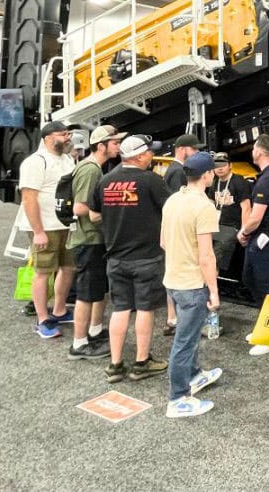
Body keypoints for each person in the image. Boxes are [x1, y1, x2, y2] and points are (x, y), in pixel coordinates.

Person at [89, 134, 171, 383]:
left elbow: (93, 215)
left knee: (120, 308)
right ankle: (141, 362)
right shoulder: (151, 180)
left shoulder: (106, 180)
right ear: (139, 156)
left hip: (115, 257)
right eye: (149, 152)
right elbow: (170, 211)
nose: (152, 155)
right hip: (146, 257)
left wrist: (117, 217)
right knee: (145, 309)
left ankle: (115, 365)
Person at [161, 152, 222, 418]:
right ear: (207, 175)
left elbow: (163, 242)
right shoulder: (204, 206)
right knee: (184, 343)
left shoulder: (173, 200)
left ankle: (195, 375)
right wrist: (214, 291)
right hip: (192, 285)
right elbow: (206, 255)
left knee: (189, 334)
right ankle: (178, 399)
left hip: (173, 280)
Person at [67, 125, 126, 360]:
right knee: (86, 293)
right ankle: (79, 343)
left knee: (98, 289)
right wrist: (112, 208)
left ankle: (94, 330)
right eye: (114, 143)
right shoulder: (90, 170)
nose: (118, 147)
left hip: (95, 238)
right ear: (101, 146)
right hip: (88, 239)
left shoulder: (95, 168)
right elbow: (79, 207)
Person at [17, 121, 75, 339]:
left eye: (68, 134)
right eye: (63, 134)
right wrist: (38, 231)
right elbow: (28, 198)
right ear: (48, 138)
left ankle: (59, 310)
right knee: (43, 271)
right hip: (45, 226)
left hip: (66, 224)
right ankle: (42, 319)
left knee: (68, 268)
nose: (68, 138)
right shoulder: (35, 162)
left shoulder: (67, 159)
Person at [238, 134, 269, 356]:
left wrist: (243, 231)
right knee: (251, 278)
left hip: (266, 239)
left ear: (259, 151)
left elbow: (256, 217)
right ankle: (264, 326)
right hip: (261, 238)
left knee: (265, 284)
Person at [162, 133, 205, 334]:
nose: (196, 152)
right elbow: (177, 203)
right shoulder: (178, 171)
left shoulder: (174, 169)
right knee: (178, 275)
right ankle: (174, 318)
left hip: (173, 232)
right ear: (181, 149)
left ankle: (173, 317)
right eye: (193, 149)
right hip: (179, 232)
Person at [210, 152, 251, 273]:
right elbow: (210, 204)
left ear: (230, 165)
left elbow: (246, 208)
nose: (220, 168)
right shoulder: (214, 182)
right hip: (215, 226)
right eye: (216, 165)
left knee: (214, 260)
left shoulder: (239, 181)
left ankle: (211, 280)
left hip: (231, 227)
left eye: (223, 164)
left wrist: (244, 231)